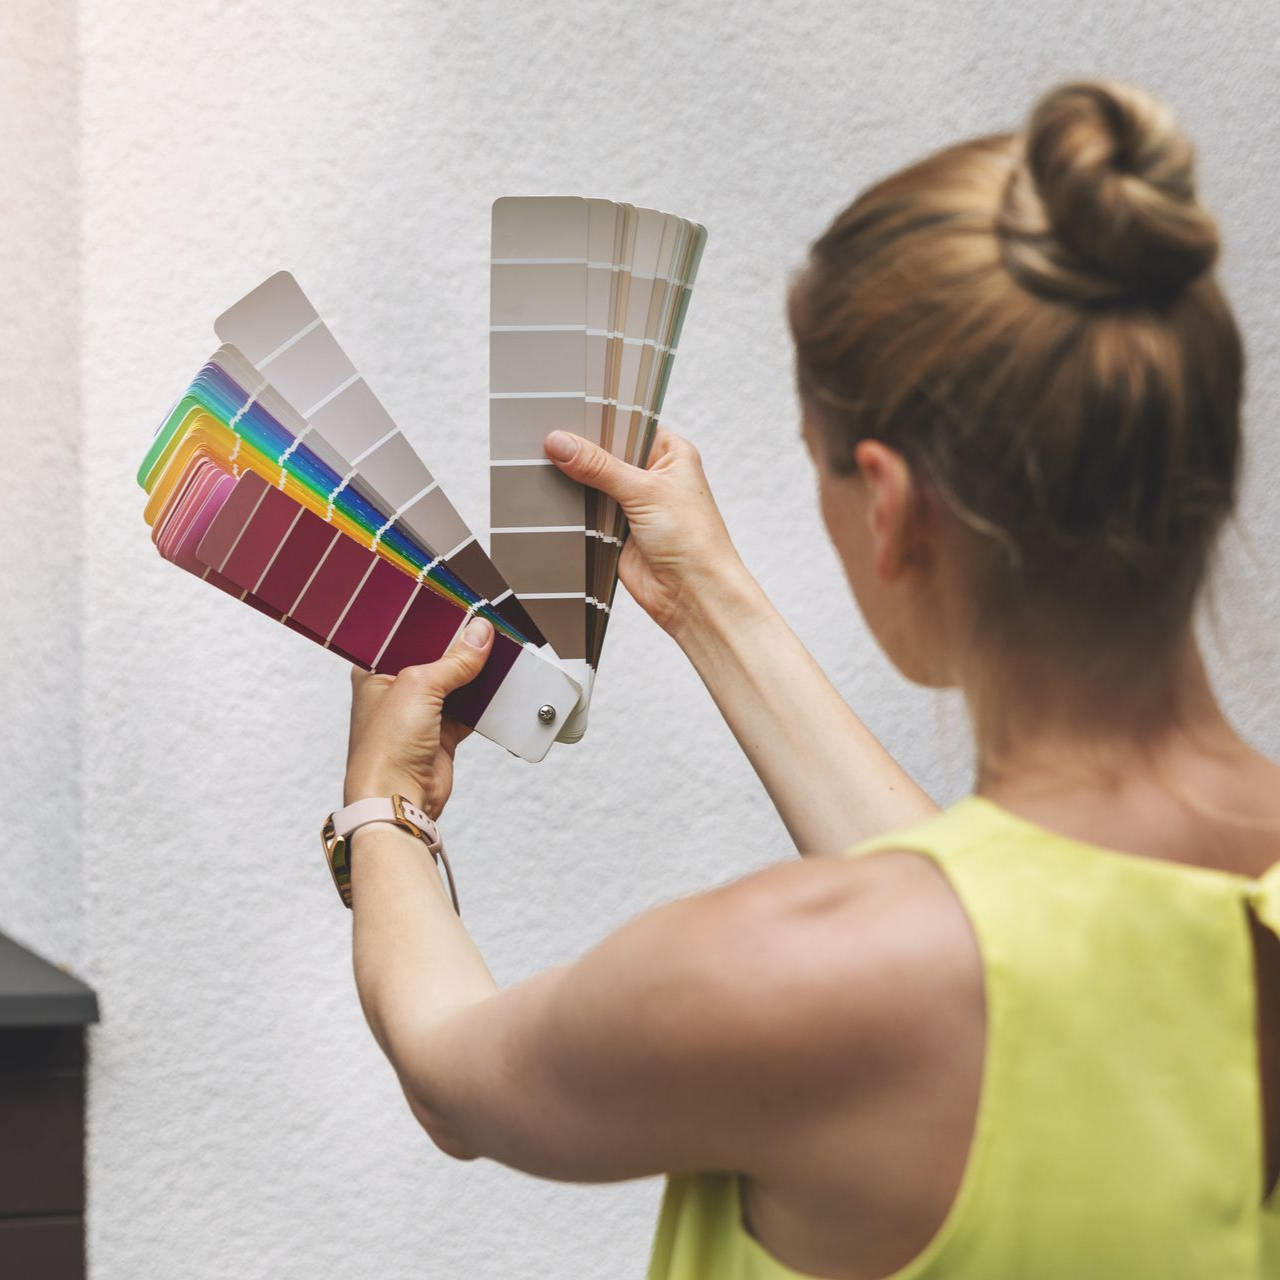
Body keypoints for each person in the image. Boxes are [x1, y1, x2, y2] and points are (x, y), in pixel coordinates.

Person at [338, 78, 1280, 1277]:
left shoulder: (788, 976)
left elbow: (449, 1068)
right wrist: (705, 596)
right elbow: (1010, 916)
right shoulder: (1062, 938)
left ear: (884, 503)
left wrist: (384, 802)